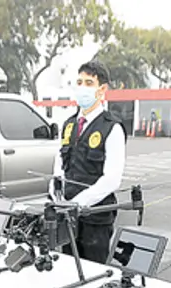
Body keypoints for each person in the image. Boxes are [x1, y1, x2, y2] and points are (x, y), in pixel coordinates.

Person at [51, 60, 126, 263]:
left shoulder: (112, 127)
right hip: (68, 215)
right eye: (79, 82)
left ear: (102, 90)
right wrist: (57, 194)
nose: (82, 87)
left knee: (95, 270)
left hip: (96, 218)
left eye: (89, 83)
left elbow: (112, 179)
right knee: (68, 265)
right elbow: (60, 164)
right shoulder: (69, 124)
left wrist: (78, 203)